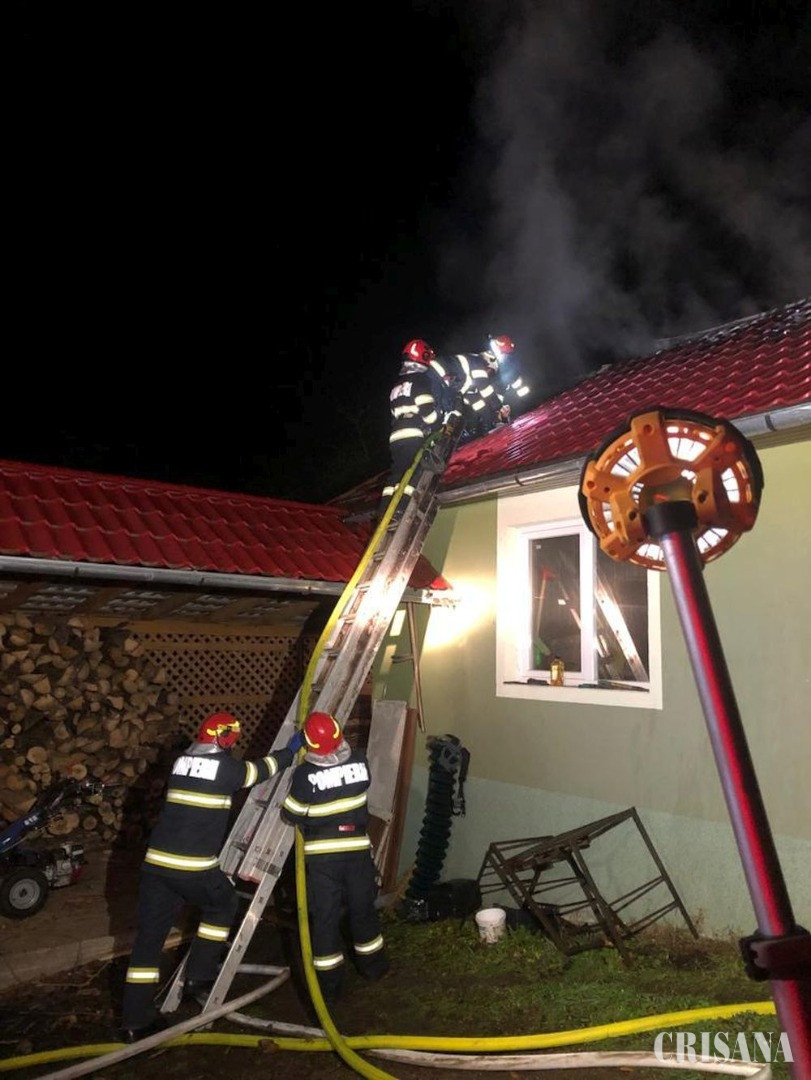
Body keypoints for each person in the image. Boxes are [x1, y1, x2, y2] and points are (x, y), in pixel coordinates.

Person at [119, 712, 302, 1042]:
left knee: (148, 942)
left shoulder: (182, 762)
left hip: (156, 868)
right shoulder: (225, 769)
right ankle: (199, 978)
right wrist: (290, 751)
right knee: (223, 905)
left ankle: (135, 1021)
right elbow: (261, 771)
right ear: (225, 738)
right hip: (193, 867)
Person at [281, 711, 389, 1003]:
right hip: (356, 851)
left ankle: (329, 986)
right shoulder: (360, 763)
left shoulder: (304, 775)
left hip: (323, 859)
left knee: (325, 918)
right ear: (339, 734)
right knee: (362, 909)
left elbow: (291, 813)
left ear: (308, 743)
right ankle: (374, 968)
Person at [378, 338, 459, 521]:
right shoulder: (420, 380)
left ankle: (384, 511)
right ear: (423, 356)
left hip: (396, 435)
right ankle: (402, 509)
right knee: (415, 470)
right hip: (413, 432)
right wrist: (441, 420)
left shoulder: (397, 386)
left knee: (396, 473)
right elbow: (428, 414)